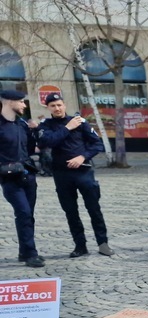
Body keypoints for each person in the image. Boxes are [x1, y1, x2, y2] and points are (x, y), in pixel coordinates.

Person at [36, 93, 113, 258]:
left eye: (59, 105)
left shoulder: (80, 122)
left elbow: (97, 144)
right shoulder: (46, 125)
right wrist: (67, 128)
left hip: (83, 171)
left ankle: (103, 243)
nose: (57, 108)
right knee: (70, 211)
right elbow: (45, 142)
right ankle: (80, 245)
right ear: (48, 108)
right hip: (61, 174)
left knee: (94, 208)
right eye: (53, 106)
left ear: (64, 105)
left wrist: (83, 157)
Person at [0, 89, 43, 267]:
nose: (24, 105)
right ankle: (31, 254)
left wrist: (36, 132)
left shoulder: (22, 124)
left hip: (28, 175)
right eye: (21, 102)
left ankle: (24, 251)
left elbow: (31, 148)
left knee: (28, 215)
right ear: (10, 102)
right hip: (9, 178)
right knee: (23, 212)